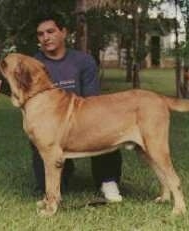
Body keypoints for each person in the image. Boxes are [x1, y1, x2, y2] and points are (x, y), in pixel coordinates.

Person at [32, 12, 123, 202]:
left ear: (63, 32)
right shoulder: (34, 64)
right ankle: (63, 175)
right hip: (52, 127)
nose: (46, 37)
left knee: (105, 125)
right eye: (41, 34)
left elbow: (92, 101)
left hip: (82, 119)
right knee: (45, 184)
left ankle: (108, 180)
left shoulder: (84, 61)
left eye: (51, 31)